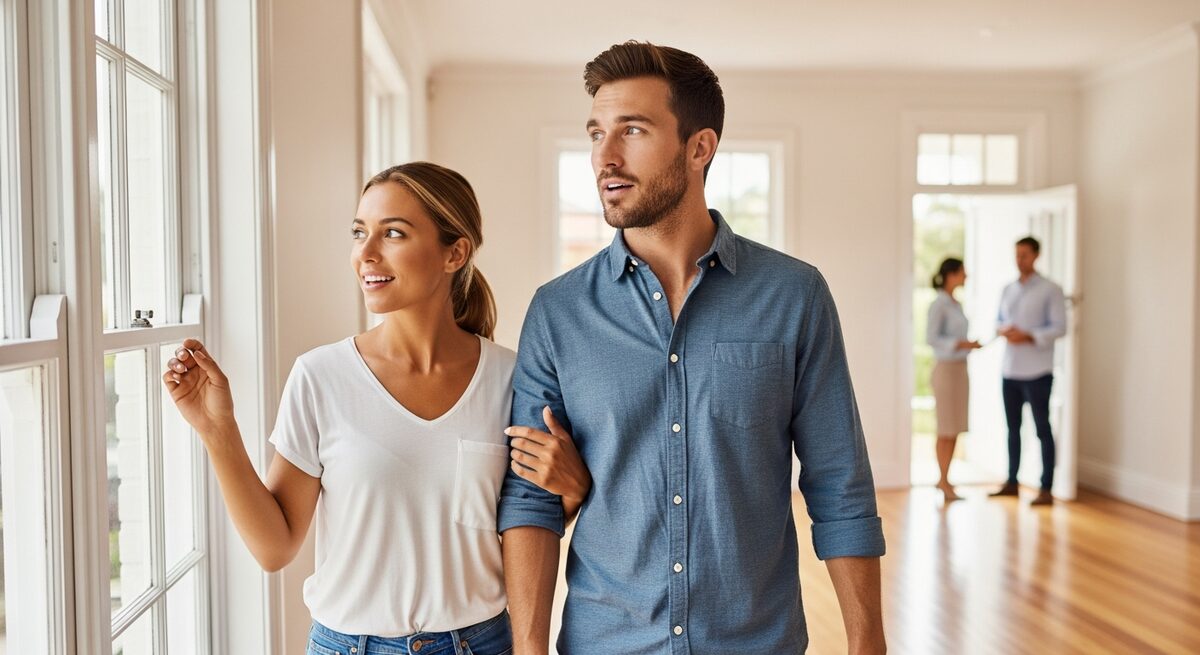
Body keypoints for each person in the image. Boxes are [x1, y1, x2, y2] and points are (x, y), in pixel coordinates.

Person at [498, 42, 886, 655]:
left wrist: (868, 644)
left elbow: (840, 483)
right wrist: (527, 649)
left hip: (757, 642)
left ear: (699, 147)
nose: (607, 156)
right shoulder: (558, 311)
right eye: (597, 132)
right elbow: (528, 498)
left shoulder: (795, 295)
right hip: (607, 641)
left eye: (633, 129)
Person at [162, 162, 591, 655]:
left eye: (393, 233)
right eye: (359, 232)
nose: (365, 254)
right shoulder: (320, 376)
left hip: (480, 643)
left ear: (455, 253)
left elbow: (523, 518)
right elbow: (274, 547)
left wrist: (572, 493)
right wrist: (219, 432)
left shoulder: (512, 380)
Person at [989, 236, 1067, 506]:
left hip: (1038, 372)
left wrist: (1030, 335)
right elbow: (998, 321)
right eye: (1016, 254)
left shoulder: (1050, 289)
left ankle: (1046, 488)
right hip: (1010, 370)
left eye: (1024, 254)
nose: (1019, 259)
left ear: (1036, 255)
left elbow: (1060, 327)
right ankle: (1012, 481)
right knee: (1013, 429)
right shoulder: (1008, 289)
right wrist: (1004, 330)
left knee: (1042, 429)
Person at [926, 257, 982, 502]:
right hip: (946, 370)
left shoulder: (955, 304)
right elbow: (932, 338)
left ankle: (945, 480)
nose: (966, 276)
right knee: (945, 427)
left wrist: (968, 346)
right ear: (952, 274)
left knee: (955, 427)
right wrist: (961, 343)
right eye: (963, 272)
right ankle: (943, 479)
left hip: (960, 369)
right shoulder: (939, 304)